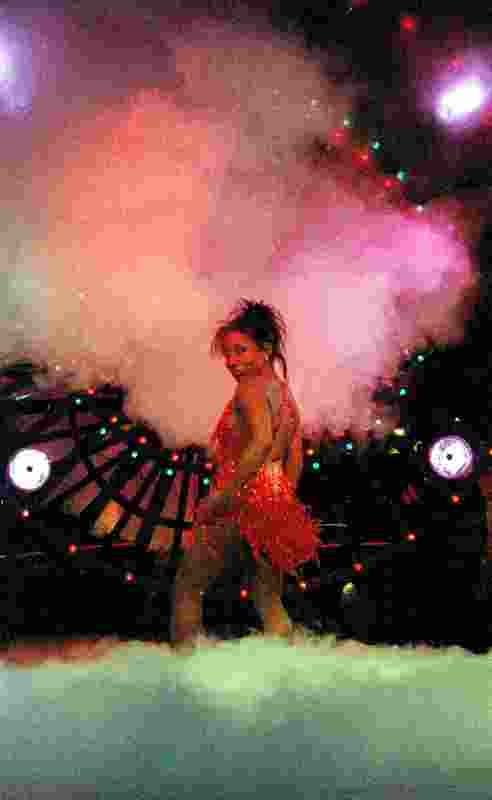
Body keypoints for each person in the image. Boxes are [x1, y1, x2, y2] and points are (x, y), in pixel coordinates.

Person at [170, 299, 320, 649]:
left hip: (238, 499)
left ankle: (182, 671)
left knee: (188, 586)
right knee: (267, 597)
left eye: (240, 351)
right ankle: (289, 669)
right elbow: (295, 456)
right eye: (227, 354)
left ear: (265, 350)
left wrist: (224, 495)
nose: (232, 361)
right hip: (273, 498)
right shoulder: (284, 393)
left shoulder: (250, 388)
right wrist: (281, 500)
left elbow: (262, 441)